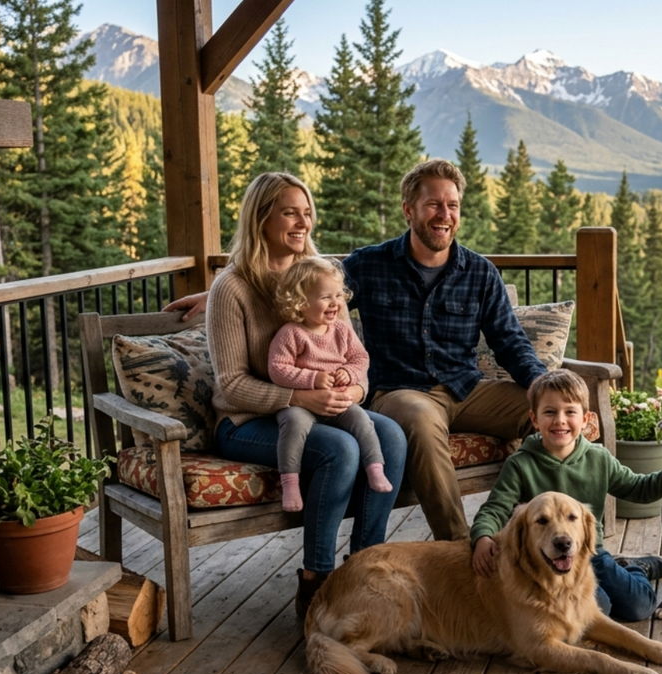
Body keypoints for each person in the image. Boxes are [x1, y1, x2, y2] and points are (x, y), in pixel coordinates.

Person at [169, 159, 544, 543]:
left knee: (553, 410)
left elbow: (510, 341)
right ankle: (461, 551)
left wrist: (546, 385)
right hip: (402, 392)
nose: (444, 214)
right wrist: (215, 294)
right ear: (408, 210)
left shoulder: (480, 272)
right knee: (405, 426)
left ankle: (566, 538)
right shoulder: (369, 265)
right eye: (433, 204)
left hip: (467, 389)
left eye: (453, 205)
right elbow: (312, 288)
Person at [204, 172, 406, 620]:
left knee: (390, 436)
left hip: (319, 409)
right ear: (261, 218)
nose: (303, 222)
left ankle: (365, 571)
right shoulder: (231, 289)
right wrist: (298, 399)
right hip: (245, 422)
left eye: (307, 211)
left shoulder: (321, 276)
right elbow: (231, 385)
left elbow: (356, 359)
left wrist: (353, 388)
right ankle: (316, 583)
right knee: (339, 449)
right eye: (290, 212)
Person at [470, 369, 662, 621]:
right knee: (599, 611)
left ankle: (634, 568)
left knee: (640, 607)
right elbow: (496, 508)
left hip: (590, 552)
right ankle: (618, 581)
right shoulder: (520, 464)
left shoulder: (599, 458)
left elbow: (640, 489)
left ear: (586, 419)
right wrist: (482, 536)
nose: (560, 420)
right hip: (546, 560)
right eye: (550, 412)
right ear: (534, 419)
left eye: (570, 412)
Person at [268, 256, 392, 513]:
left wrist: (349, 372)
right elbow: (277, 370)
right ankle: (290, 481)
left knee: (362, 421)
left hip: (337, 401)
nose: (335, 303)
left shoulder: (342, 331)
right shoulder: (291, 333)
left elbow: (361, 357)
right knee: (293, 424)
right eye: (325, 297)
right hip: (302, 403)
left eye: (338, 295)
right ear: (300, 303)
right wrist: (312, 379)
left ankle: (375, 469)